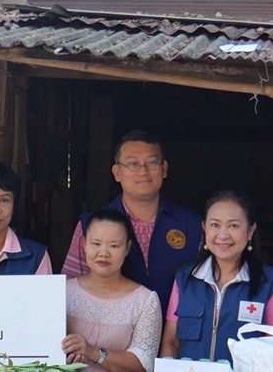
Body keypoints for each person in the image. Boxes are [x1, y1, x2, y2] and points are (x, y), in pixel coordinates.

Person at [61, 131, 201, 313]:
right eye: (133, 164)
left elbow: (206, 290)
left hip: (177, 336)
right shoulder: (90, 226)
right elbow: (70, 289)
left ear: (164, 169)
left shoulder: (192, 225)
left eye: (152, 163)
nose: (143, 171)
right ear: (117, 172)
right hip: (108, 335)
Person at [160, 190, 273, 364]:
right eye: (215, 225)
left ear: (250, 231)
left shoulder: (271, 284)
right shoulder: (185, 279)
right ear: (204, 228)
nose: (223, 234)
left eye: (233, 226)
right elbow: (171, 342)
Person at [61, 208, 163, 372]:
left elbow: (143, 364)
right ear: (83, 244)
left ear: (127, 248)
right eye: (96, 244)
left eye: (114, 246)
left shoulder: (145, 300)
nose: (104, 253)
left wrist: (92, 352)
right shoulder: (63, 293)